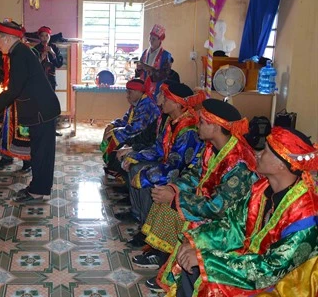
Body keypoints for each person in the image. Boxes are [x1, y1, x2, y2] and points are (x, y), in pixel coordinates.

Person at [173, 127, 318, 297]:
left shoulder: (306, 215)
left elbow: (272, 270)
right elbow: (232, 226)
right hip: (253, 263)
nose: (257, 154)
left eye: (265, 151)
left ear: (281, 164)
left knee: (211, 283)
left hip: (283, 284)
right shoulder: (261, 189)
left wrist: (206, 260)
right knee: (193, 260)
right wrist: (196, 242)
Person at [145, 99, 258, 292]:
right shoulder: (211, 148)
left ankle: (182, 276)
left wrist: (176, 200)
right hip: (209, 208)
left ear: (215, 126)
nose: (197, 124)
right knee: (164, 197)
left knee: (178, 213)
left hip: (230, 224)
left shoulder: (239, 163)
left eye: (202, 122)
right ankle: (166, 260)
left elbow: (217, 207)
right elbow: (195, 175)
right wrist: (174, 189)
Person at [0, 21, 61, 202]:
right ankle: (39, 187)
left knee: (42, 153)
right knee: (39, 151)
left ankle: (39, 191)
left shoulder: (19, 54)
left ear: (7, 38)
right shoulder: (19, 51)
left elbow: (13, 89)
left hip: (41, 110)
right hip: (40, 109)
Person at [117, 82, 205, 245]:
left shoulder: (189, 130)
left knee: (146, 178)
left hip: (185, 176)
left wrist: (145, 176)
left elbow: (176, 167)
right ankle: (140, 219)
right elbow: (158, 148)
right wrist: (134, 155)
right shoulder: (172, 121)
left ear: (177, 103)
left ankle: (147, 232)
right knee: (135, 165)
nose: (162, 101)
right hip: (168, 166)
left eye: (166, 98)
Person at [0, 21, 32, 173]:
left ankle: (27, 161)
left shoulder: (22, 52)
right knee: (4, 128)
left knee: (22, 131)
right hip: (7, 95)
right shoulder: (2, 51)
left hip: (20, 99)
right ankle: (6, 156)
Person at [100, 78, 160, 178]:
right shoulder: (137, 103)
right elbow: (126, 120)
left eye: (130, 92)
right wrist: (113, 125)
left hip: (146, 138)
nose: (127, 95)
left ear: (138, 92)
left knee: (116, 138)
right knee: (111, 131)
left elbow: (137, 128)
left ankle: (115, 171)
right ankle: (112, 168)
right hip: (138, 134)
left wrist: (115, 131)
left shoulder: (146, 105)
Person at [34, 26, 64, 136]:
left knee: (51, 104)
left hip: (51, 81)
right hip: (39, 81)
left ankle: (52, 128)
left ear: (50, 36)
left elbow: (59, 64)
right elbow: (32, 66)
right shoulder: (36, 49)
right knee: (40, 104)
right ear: (39, 37)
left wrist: (52, 53)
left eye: (47, 35)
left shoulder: (54, 48)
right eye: (42, 36)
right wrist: (41, 58)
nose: (45, 38)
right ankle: (40, 128)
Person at [135, 24, 173, 102]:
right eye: (150, 38)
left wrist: (150, 71)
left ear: (160, 40)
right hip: (143, 90)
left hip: (156, 92)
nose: (151, 41)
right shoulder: (145, 52)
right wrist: (138, 69)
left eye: (154, 39)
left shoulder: (166, 55)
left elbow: (165, 75)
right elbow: (138, 74)